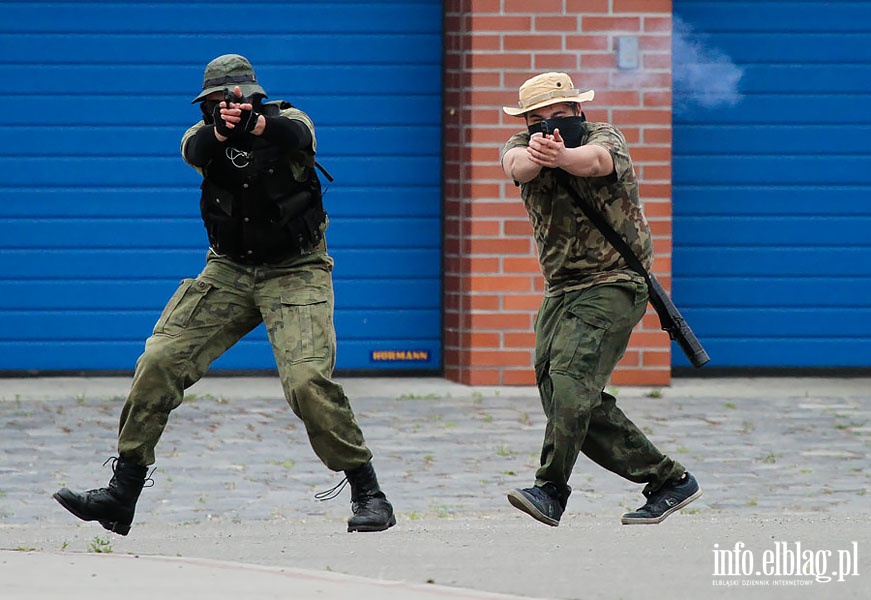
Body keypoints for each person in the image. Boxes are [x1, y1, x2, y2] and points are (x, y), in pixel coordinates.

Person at [53, 54, 396, 535]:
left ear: (256, 94)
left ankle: (368, 491)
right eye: (216, 101)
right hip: (229, 270)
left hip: (296, 269)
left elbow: (299, 137)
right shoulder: (201, 139)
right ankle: (122, 493)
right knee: (160, 359)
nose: (228, 107)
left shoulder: (288, 121)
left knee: (305, 382)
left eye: (236, 98)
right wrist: (220, 129)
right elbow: (193, 149)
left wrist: (256, 125)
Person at [499, 72, 702, 526]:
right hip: (561, 289)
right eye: (538, 118)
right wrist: (540, 155)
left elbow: (595, 162)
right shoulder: (520, 144)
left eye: (560, 115)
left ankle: (551, 489)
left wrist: (564, 155)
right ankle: (669, 480)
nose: (549, 124)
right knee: (565, 395)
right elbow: (516, 167)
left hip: (614, 281)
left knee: (571, 379)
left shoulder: (603, 137)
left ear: (577, 111)